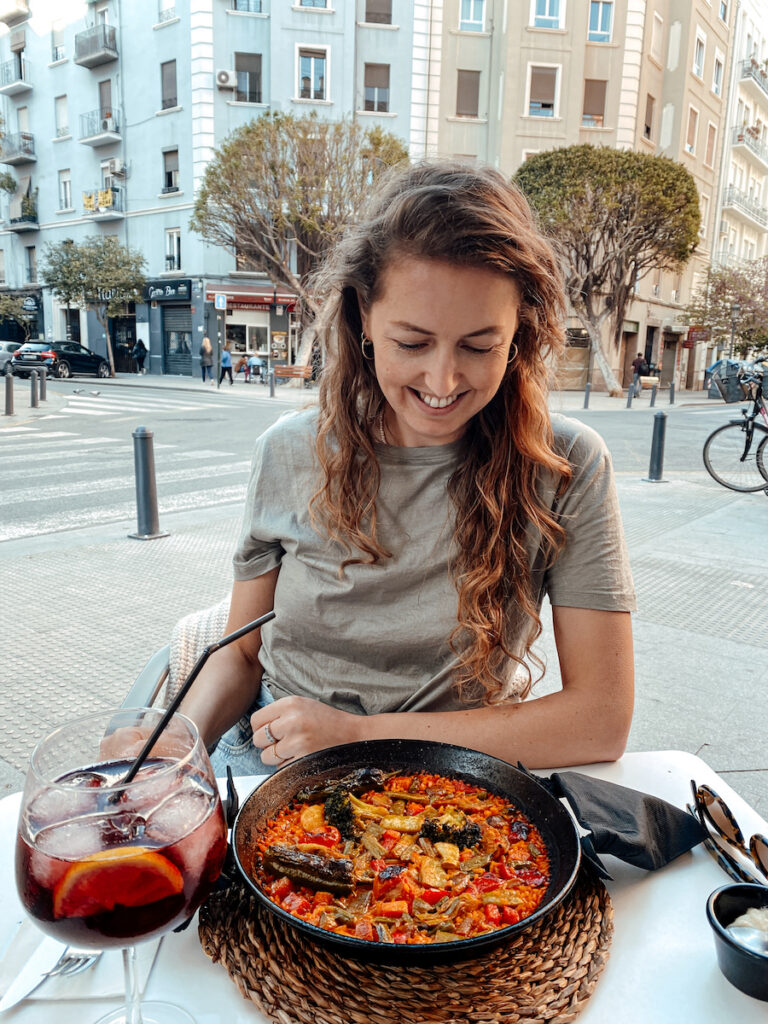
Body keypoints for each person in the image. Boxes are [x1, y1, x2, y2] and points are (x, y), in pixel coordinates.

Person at [181, 161, 636, 776]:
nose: (442, 381)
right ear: (364, 317)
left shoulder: (566, 465)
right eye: (412, 343)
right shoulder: (288, 451)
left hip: (463, 770)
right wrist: (174, 744)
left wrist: (361, 735)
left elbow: (600, 719)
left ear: (519, 334)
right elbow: (238, 659)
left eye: (480, 346)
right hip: (274, 761)